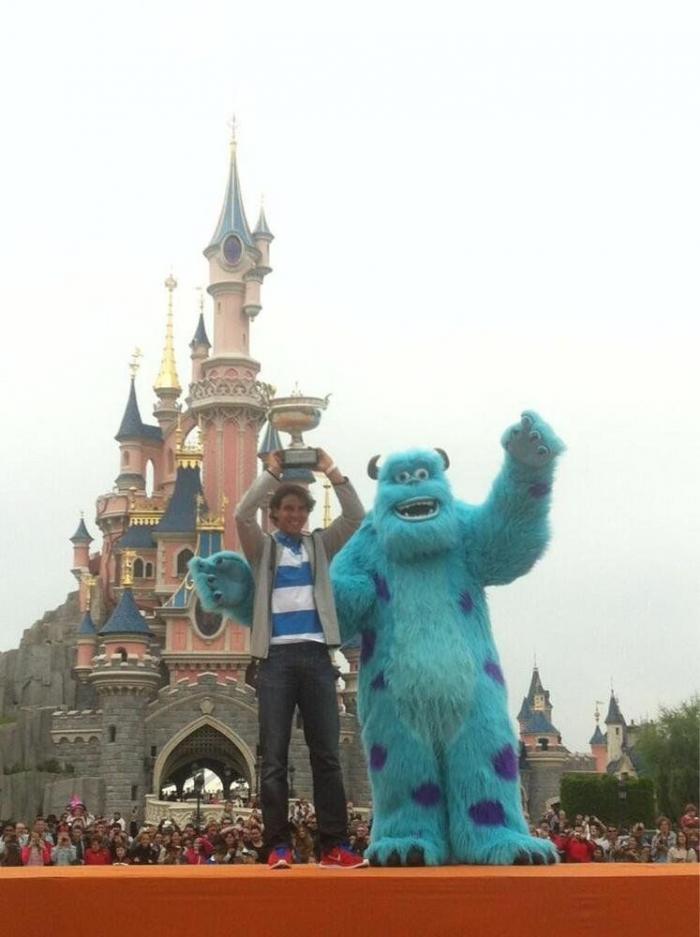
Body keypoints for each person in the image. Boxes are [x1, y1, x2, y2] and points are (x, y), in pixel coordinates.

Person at [234, 448, 366, 870]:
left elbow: (355, 516)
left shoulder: (319, 546)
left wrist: (331, 469)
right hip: (275, 660)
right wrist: (270, 473)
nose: (294, 515)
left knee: (325, 753)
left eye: (300, 509)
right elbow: (241, 514)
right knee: (273, 757)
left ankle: (334, 846)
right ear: (274, 514)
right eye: (286, 509)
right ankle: (277, 847)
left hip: (315, 656)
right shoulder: (264, 549)